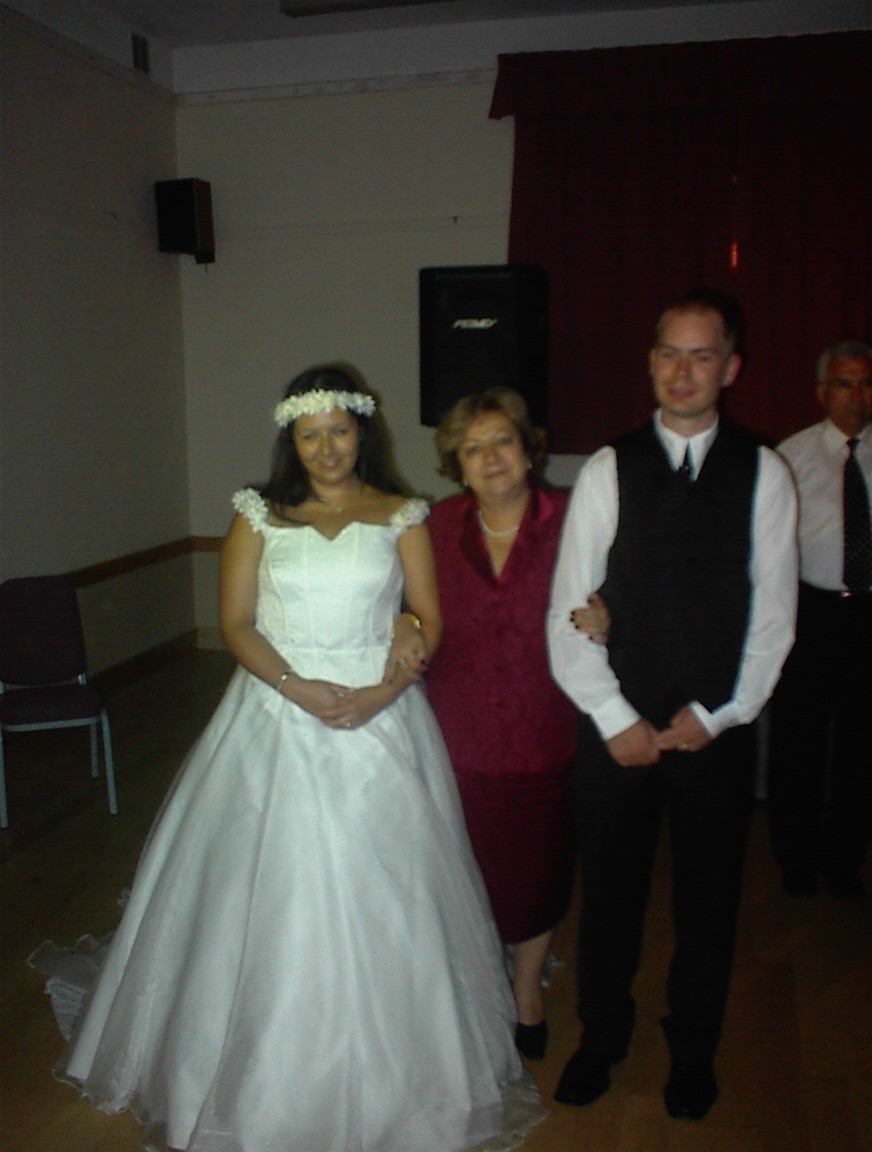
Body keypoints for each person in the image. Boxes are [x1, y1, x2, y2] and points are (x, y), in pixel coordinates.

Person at [47, 367, 544, 1152]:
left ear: (362, 431)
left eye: (338, 431)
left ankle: (405, 1073)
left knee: (392, 893)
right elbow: (237, 623)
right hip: (276, 711)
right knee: (266, 890)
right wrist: (294, 687)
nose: (325, 448)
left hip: (380, 716)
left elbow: (427, 614)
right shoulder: (258, 514)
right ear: (291, 441)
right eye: (309, 435)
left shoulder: (402, 514)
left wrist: (385, 686)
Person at [547, 290, 798, 1121]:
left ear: (730, 368)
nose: (682, 371)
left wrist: (721, 715)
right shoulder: (608, 467)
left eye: (701, 356)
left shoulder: (765, 471)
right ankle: (601, 1037)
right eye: (668, 354)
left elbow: (774, 616)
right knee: (608, 896)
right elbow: (569, 606)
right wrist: (614, 717)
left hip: (710, 730)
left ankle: (693, 1050)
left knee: (709, 902)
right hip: (616, 727)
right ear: (651, 361)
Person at [415, 388, 606, 1064]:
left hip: (545, 729)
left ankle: (526, 993)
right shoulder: (435, 526)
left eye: (502, 440)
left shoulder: (572, 518)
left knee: (537, 874)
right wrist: (405, 627)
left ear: (529, 450)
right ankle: (472, 983)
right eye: (473, 448)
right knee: (463, 870)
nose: (490, 457)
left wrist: (610, 614)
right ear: (456, 465)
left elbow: (622, 585)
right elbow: (405, 604)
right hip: (456, 734)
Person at [767, 340, 872, 900]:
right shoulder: (792, 456)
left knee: (861, 745)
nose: (857, 396)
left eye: (866, 383)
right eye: (844, 384)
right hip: (811, 611)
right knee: (798, 742)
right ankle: (796, 859)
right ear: (821, 392)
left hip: (869, 613)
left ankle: (844, 860)